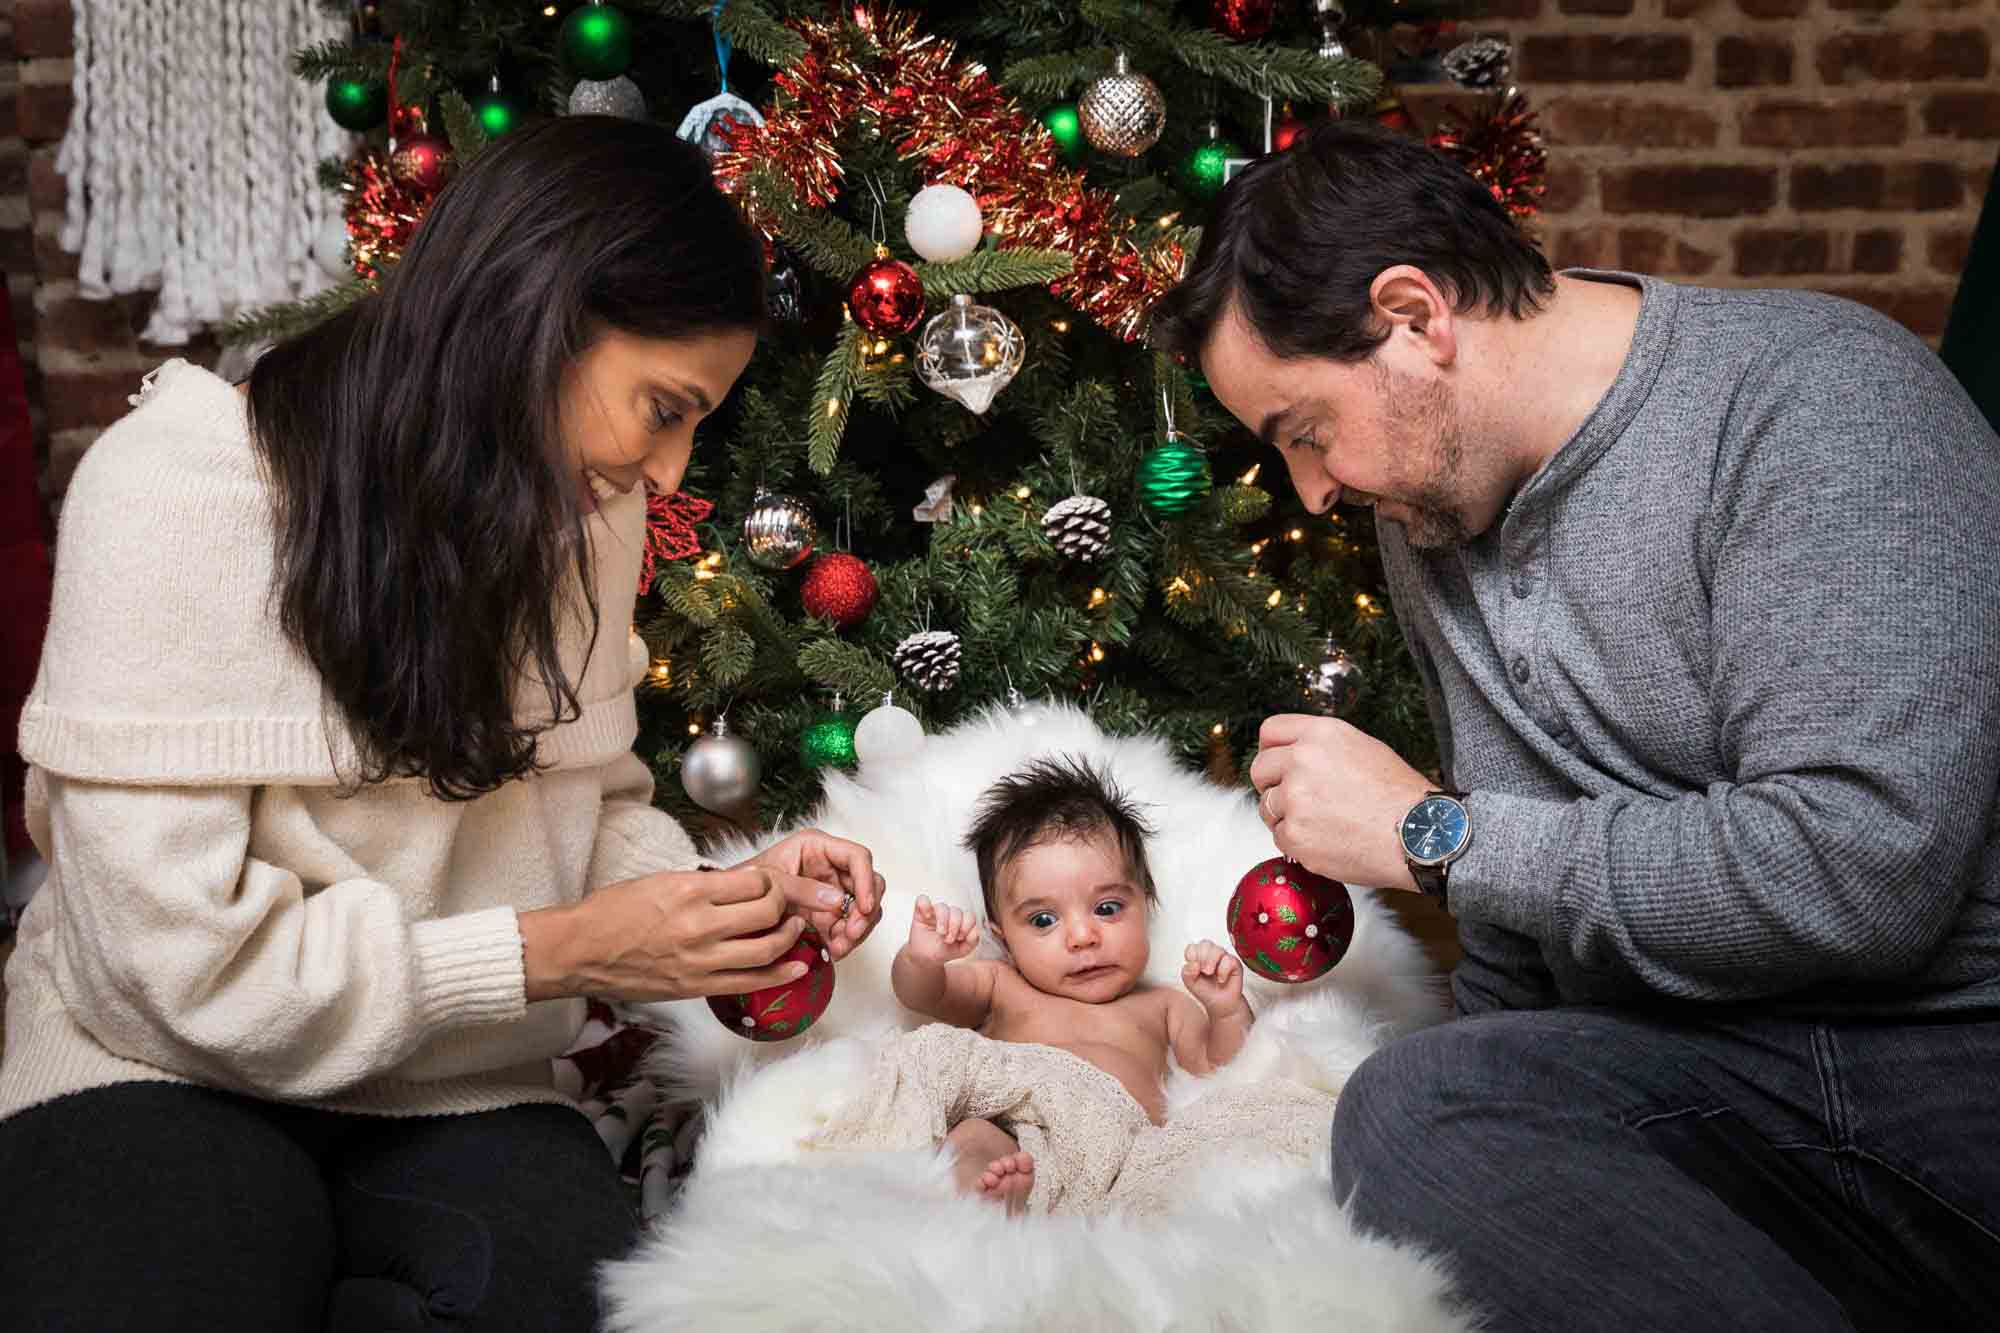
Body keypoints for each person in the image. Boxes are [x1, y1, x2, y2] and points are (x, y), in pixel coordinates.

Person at [0, 117, 886, 1333]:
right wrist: (559, 951)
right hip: (155, 1060)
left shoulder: (584, 504)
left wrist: (723, 900)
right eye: (662, 407)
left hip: (454, 1081)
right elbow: (180, 973)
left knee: (588, 1305)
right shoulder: (174, 494)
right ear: (535, 324)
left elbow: (586, 805)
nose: (672, 472)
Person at [1146, 118, 2000, 1332]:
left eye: (1302, 431)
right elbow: (1515, 946)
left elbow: (1857, 873)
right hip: (1708, 1070)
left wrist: (1433, 835)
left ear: (1412, 318)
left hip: (1945, 1055)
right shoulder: (1433, 507)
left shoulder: (1811, 400)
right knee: (1414, 1107)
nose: (1314, 491)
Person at [888, 755, 1252, 1211]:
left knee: (1176, 1179)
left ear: (1146, 904)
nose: (1083, 937)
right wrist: (922, 959)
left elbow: (1218, 1066)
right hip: (1014, 1126)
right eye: (1043, 920)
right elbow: (924, 994)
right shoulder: (1001, 984)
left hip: (1119, 1148)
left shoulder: (1162, 1005)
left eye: (1107, 909)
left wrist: (1225, 1010)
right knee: (972, 1139)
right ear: (1005, 939)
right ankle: (984, 1200)